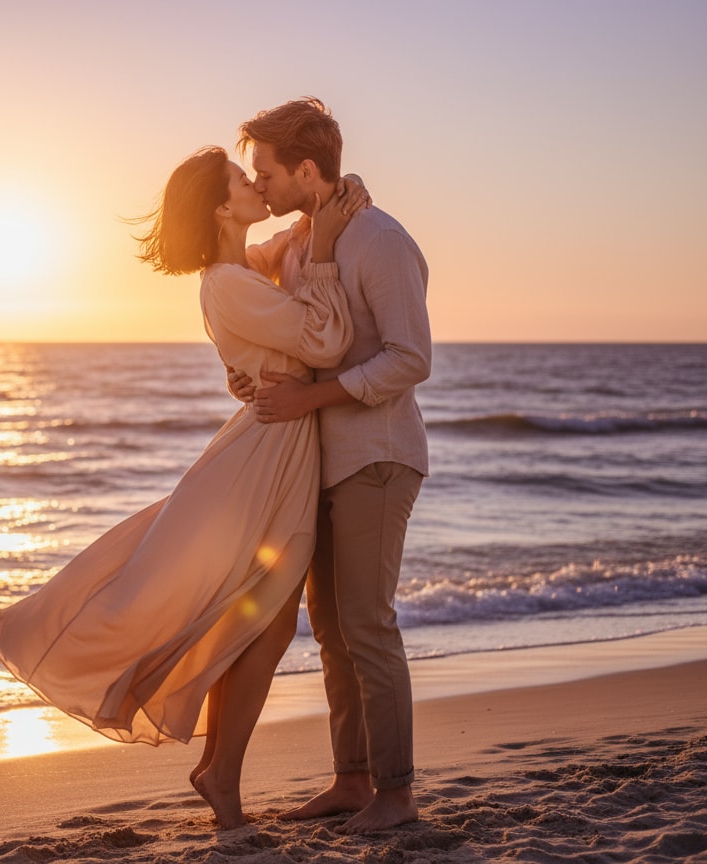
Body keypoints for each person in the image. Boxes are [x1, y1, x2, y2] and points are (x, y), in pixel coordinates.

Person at [0, 146, 368, 829]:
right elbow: (328, 339)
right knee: (257, 615)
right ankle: (219, 770)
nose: (255, 185)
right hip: (266, 461)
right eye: (241, 181)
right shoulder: (227, 282)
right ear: (222, 208)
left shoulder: (240, 270)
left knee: (262, 618)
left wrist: (324, 209)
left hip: (273, 452)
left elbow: (287, 244)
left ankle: (220, 769)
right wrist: (331, 248)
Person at [229, 97, 430, 834]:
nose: (262, 186)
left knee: (368, 626)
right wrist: (244, 367)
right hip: (319, 462)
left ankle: (397, 793)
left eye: (268, 173)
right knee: (333, 630)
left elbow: (412, 357)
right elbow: (238, 287)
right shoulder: (296, 241)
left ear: (306, 169)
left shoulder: (379, 239)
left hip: (378, 456)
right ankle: (352, 780)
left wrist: (314, 393)